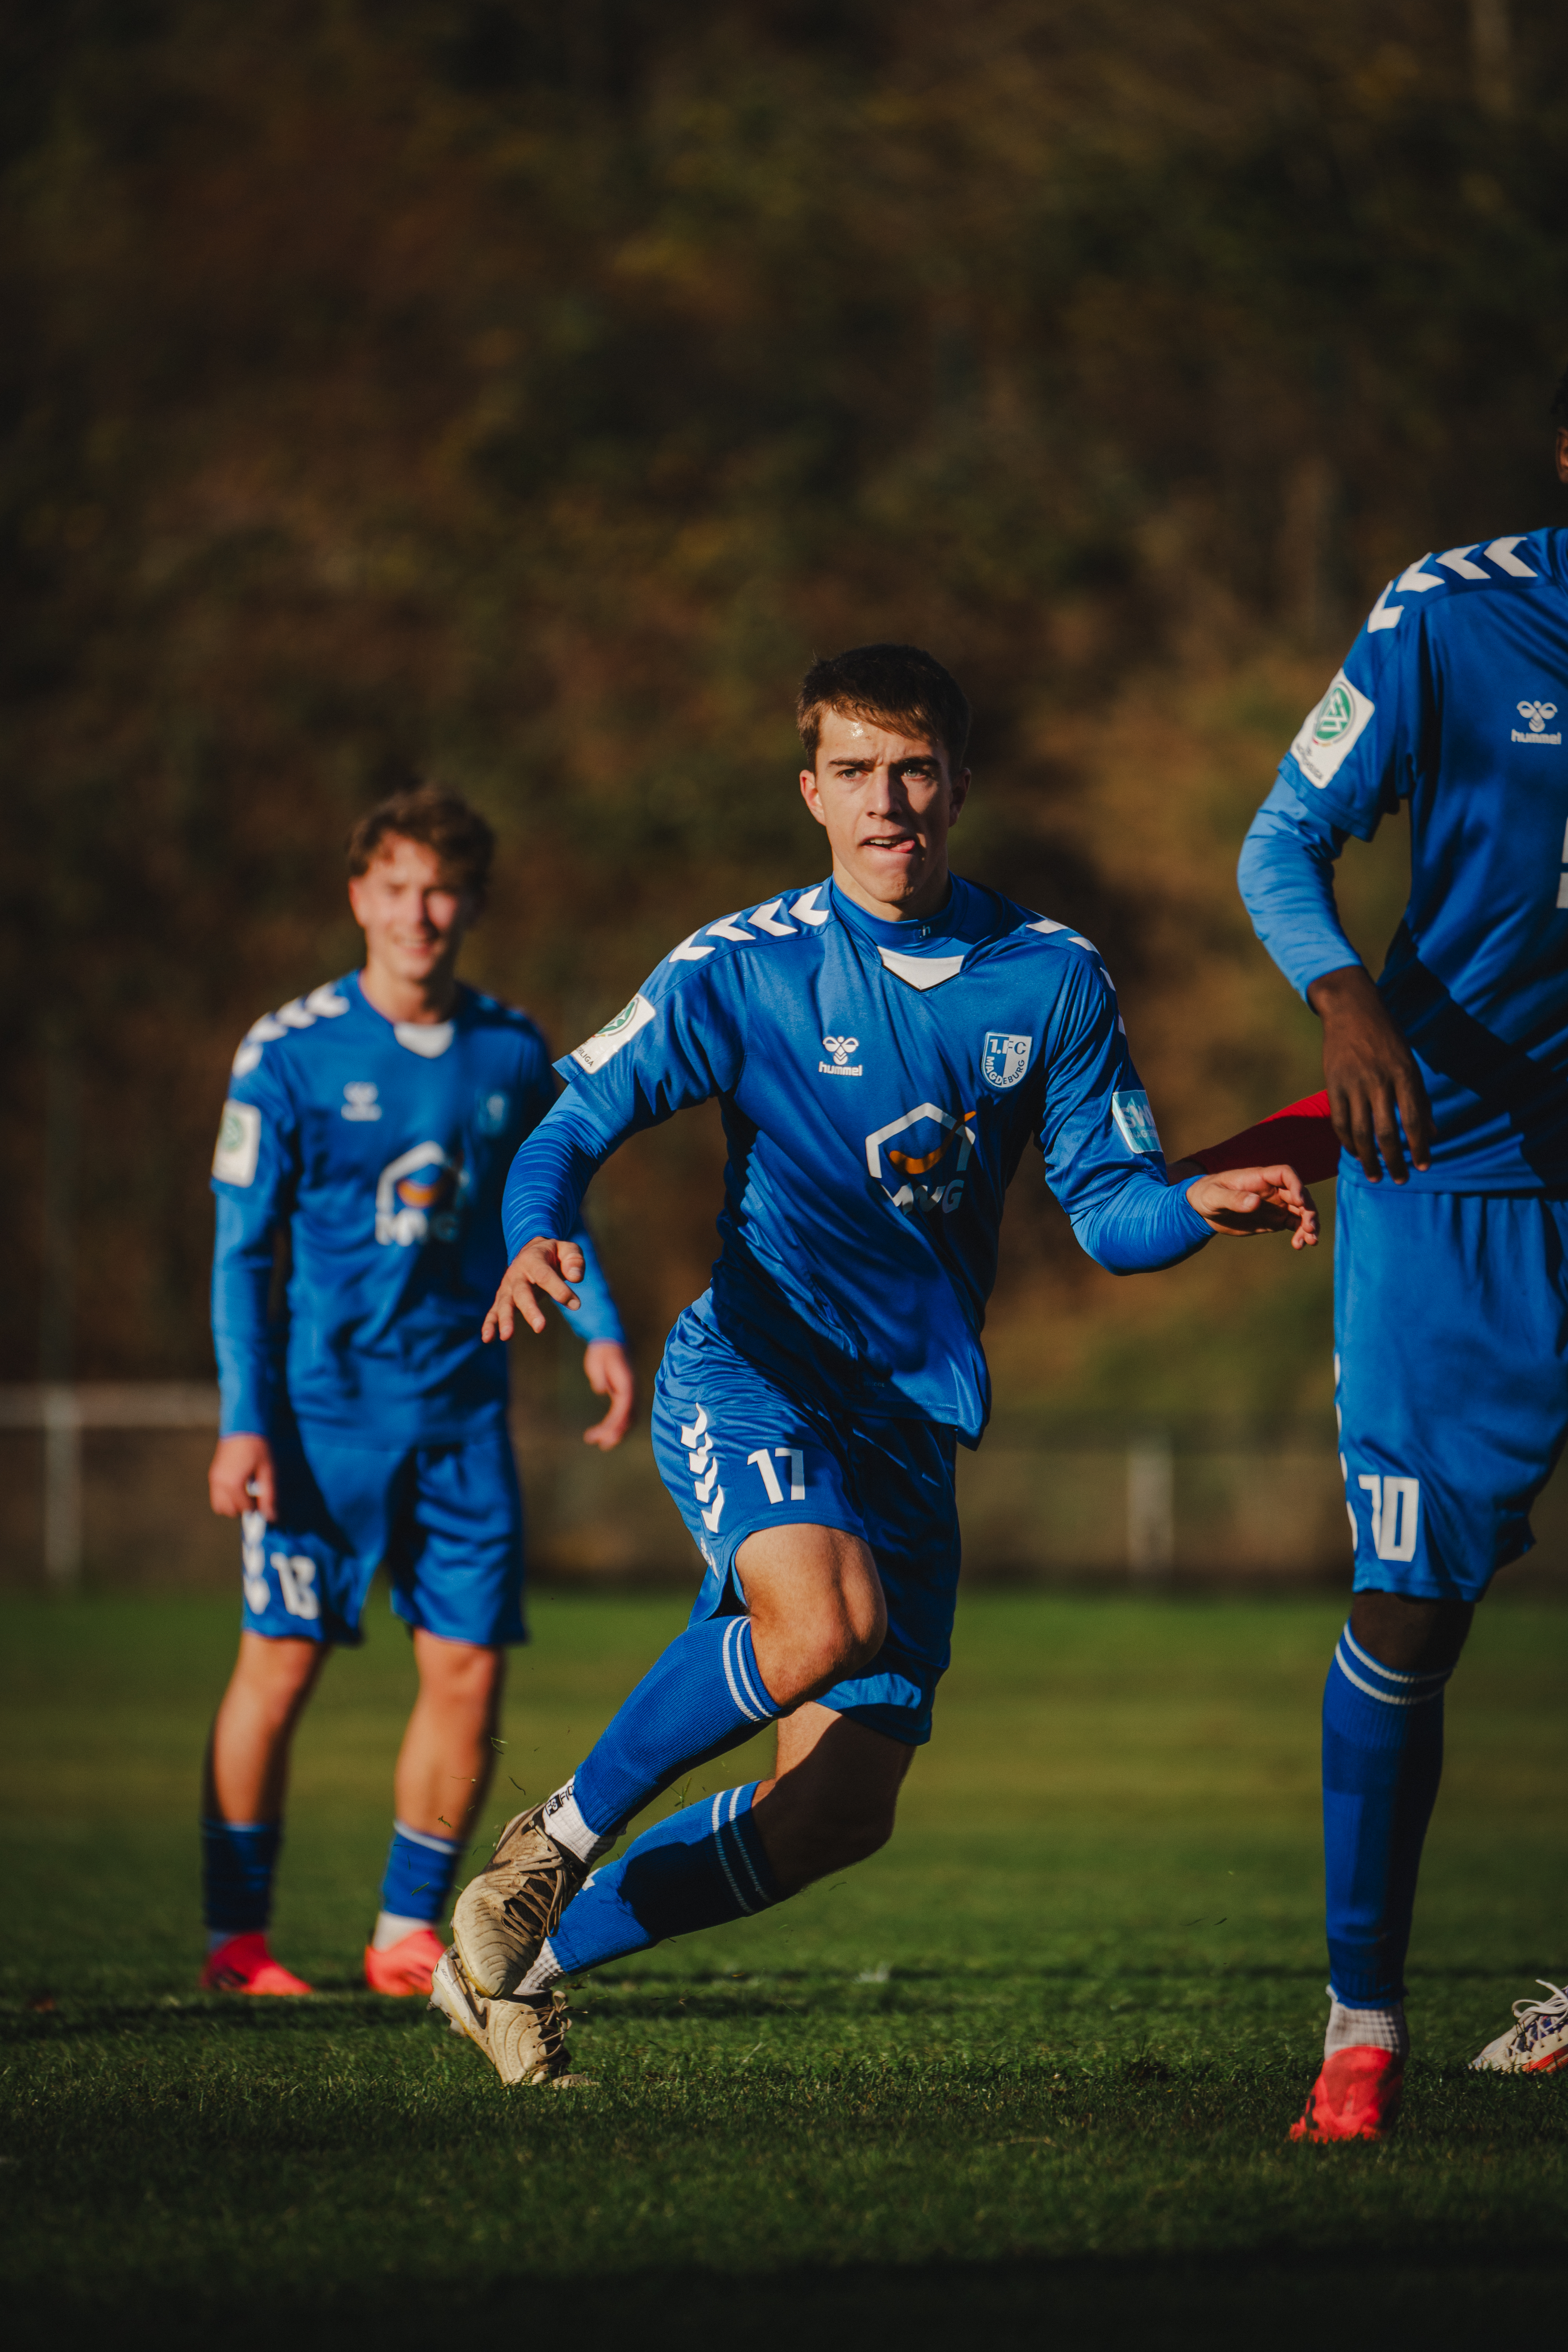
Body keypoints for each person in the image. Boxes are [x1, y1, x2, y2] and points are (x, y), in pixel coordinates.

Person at [424, 642, 1317, 2086]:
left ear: (959, 785)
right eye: (855, 773)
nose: (888, 802)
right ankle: (544, 1852)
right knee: (819, 1623)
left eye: (913, 771)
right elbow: (564, 1127)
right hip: (755, 1367)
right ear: (812, 794)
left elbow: (1113, 1214)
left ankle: (521, 1960)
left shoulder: (1053, 977)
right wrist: (536, 1234)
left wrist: (1197, 1207)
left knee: (840, 1812)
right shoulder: (746, 968)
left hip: (910, 1422)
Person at [1184, 382, 1568, 2139]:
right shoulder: (1453, 611)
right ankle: (1361, 2025)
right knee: (1412, 1609)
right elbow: (1279, 840)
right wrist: (1342, 998)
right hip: (1449, 1180)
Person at [202, 785, 634, 1999]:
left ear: (474, 905)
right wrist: (245, 1418)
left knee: (469, 1673)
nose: (418, 914)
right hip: (319, 1423)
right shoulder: (285, 1052)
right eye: (395, 888)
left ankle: (403, 1934)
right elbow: (243, 1251)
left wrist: (597, 1326)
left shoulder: (509, 1050)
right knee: (278, 1666)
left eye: (442, 890)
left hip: (462, 1421)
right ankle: (239, 1943)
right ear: (358, 899)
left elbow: (547, 1210)